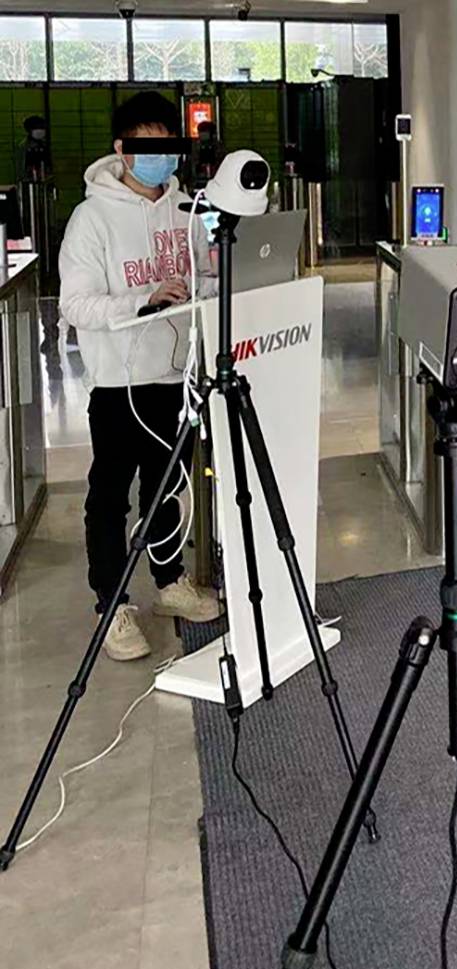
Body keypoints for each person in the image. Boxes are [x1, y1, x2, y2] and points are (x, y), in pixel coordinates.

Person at [59, 91, 220, 662]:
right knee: (110, 495)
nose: (160, 157)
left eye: (167, 145)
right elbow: (76, 305)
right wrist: (142, 299)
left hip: (177, 377)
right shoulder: (91, 218)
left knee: (167, 485)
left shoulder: (188, 211)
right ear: (122, 150)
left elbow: (205, 277)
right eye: (147, 146)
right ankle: (112, 603)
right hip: (118, 384)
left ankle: (170, 580)